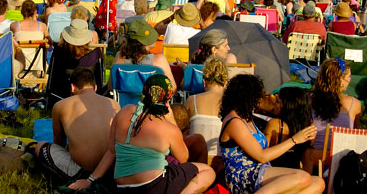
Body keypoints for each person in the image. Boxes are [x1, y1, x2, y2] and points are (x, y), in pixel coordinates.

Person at [77, 74, 214, 193]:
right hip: (153, 186)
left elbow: (111, 151)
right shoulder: (168, 128)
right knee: (208, 171)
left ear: (144, 92)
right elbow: (183, 159)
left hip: (122, 187)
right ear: (168, 99)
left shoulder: (124, 112)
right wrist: (172, 120)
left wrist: (90, 179)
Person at [219, 74, 323, 194]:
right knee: (303, 177)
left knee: (318, 182)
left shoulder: (247, 119)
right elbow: (262, 156)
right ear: (247, 97)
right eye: (257, 96)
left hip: (261, 171)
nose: (259, 100)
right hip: (244, 176)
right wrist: (294, 140)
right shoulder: (234, 122)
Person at [33, 68, 119, 186]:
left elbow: (59, 143)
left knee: (40, 146)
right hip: (111, 168)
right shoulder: (114, 104)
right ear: (95, 87)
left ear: (72, 87)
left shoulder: (60, 105)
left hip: (81, 171)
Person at [305, 58, 361, 173]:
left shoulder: (309, 99)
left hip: (314, 159)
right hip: (343, 160)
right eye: (349, 76)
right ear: (341, 79)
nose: (350, 80)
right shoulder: (354, 104)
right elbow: (355, 134)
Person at [113, 19, 175, 90]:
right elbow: (172, 88)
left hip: (125, 100)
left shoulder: (120, 56)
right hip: (154, 101)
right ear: (145, 42)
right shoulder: (159, 60)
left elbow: (111, 86)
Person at [263, 86, 315, 169]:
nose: (274, 104)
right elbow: (308, 158)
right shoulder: (308, 125)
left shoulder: (275, 124)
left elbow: (262, 151)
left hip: (274, 171)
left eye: (277, 101)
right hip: (295, 172)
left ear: (287, 105)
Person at [185, 57, 227, 157]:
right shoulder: (231, 102)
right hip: (222, 162)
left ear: (204, 82)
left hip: (197, 159)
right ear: (225, 83)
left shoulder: (192, 100)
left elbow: (184, 130)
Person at [10, 0, 50, 78]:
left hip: (20, 68)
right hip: (38, 68)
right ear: (35, 12)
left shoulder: (14, 25)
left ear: (21, 12)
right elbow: (50, 42)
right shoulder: (42, 26)